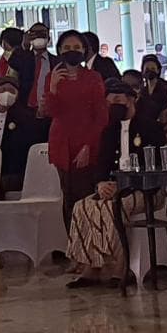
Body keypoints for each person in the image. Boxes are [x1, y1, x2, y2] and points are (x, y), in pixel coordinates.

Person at [65, 79, 164, 288]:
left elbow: (155, 165)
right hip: (113, 186)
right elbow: (102, 163)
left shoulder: (151, 128)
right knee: (83, 206)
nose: (113, 106)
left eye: (118, 100)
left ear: (131, 99)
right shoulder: (109, 130)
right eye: (109, 103)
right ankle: (90, 266)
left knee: (113, 208)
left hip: (145, 189)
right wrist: (101, 183)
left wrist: (126, 185)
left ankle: (120, 267)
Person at [45, 30, 109, 230]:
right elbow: (50, 112)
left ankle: (89, 241)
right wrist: (53, 88)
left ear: (84, 50)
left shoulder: (93, 77)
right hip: (61, 144)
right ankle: (73, 241)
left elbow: (101, 116)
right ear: (59, 50)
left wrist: (88, 145)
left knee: (85, 195)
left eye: (76, 47)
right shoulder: (52, 77)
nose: (71, 51)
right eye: (66, 48)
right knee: (68, 196)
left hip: (86, 142)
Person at [21, 22, 61, 146]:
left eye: (42, 34)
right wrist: (24, 46)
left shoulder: (57, 62)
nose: (38, 37)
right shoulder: (23, 59)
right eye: (34, 34)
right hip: (27, 114)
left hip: (51, 115)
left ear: (49, 38)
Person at [136, 54, 167, 121]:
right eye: (147, 69)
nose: (150, 71)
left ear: (158, 70)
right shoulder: (142, 90)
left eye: (153, 69)